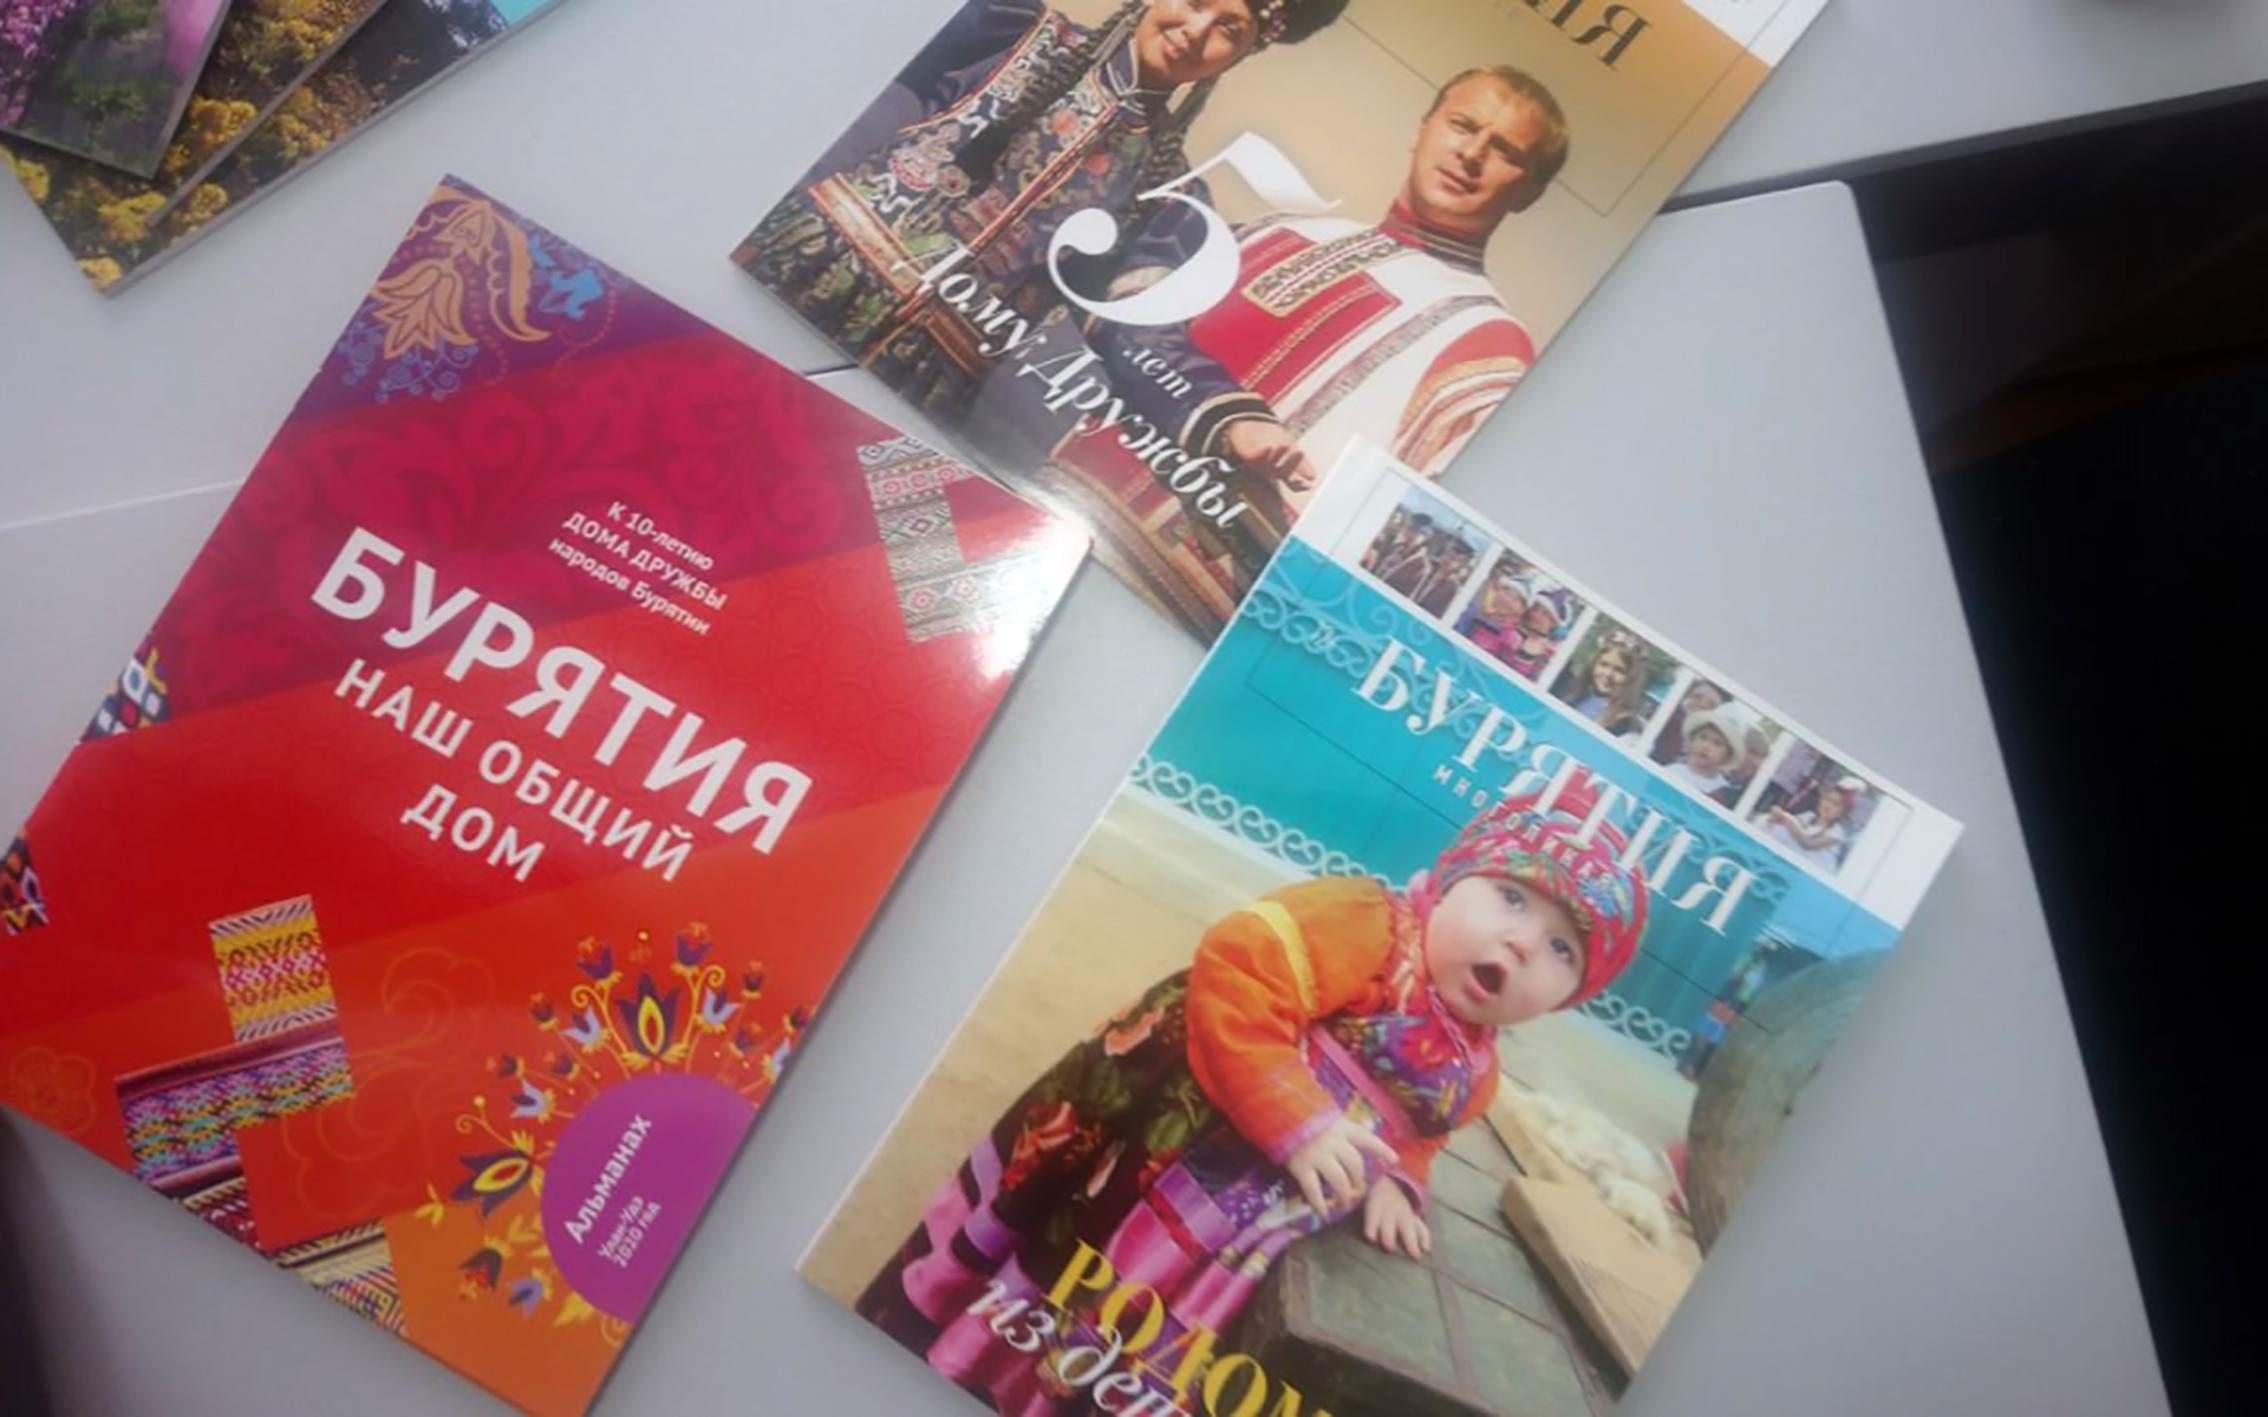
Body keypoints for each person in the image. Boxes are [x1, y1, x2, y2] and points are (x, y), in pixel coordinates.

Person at [855, 784, 1646, 1415]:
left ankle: (1061, 1387)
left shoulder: (1478, 1068)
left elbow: (1422, 1130)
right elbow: (1238, 966)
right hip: (1180, 1129)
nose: (1521, 942)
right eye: (1511, 898)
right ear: (1452, 879)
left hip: (1232, 1223)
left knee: (1144, 1311)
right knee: (1079, 1242)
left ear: (1567, 998)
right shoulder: (1370, 926)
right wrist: (1298, 1117)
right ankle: (976, 1354)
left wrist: (1400, 1178)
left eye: (1561, 948)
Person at [1048, 63, 1573, 635]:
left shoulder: (1490, 344)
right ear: (1422, 128)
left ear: (1529, 192)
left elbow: (1405, 553)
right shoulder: (1281, 231)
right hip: (1059, 506)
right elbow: (1127, 329)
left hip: (1177, 612)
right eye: (1463, 125)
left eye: (1505, 151)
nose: (1471, 154)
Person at [737, 0, 1348, 426]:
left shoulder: (1166, 191)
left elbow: (1137, 331)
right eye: (1194, 1)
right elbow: (860, 97)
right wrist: (763, 207)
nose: (1195, 30)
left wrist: (1230, 420)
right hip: (796, 269)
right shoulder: (1010, 32)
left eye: (1228, 29)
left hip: (917, 375)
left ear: (1236, 57)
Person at [1762, 775, 1865, 872]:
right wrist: (1778, 816)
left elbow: (1807, 843)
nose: (1828, 805)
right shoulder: (1809, 816)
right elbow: (1790, 825)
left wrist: (1788, 819)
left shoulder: (1837, 832)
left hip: (1817, 866)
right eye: (1827, 800)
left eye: (1835, 804)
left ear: (1842, 812)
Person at [1661, 703, 1744, 799]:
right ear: (1692, 740)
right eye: (1703, 737)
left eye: (1717, 743)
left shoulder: (1722, 791)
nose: (1706, 747)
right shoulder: (1672, 771)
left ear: (1727, 756)